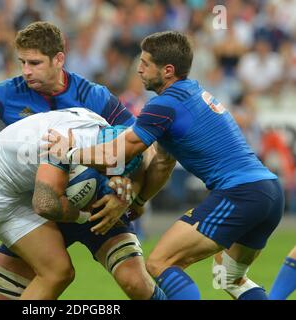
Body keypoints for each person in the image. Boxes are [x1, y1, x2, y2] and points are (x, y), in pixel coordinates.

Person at [44, 31, 284, 300]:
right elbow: (162, 162)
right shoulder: (191, 93)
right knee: (229, 278)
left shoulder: (164, 105)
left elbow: (117, 154)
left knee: (161, 262)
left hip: (241, 194)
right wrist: (139, 200)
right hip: (270, 192)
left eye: (146, 63)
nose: (139, 69)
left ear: (167, 70)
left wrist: (71, 151)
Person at [0, 21, 173, 300]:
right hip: (35, 206)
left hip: (96, 205)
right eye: (22, 62)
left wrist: (127, 196)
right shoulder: (7, 92)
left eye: (35, 63)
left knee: (135, 282)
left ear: (59, 59)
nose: (26, 71)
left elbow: (139, 148)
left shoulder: (94, 97)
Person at [0, 107, 166, 300]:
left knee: (57, 272)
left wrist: (126, 190)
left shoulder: (104, 133)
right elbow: (45, 204)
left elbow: (142, 154)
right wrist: (83, 215)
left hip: (18, 196)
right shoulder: (61, 143)